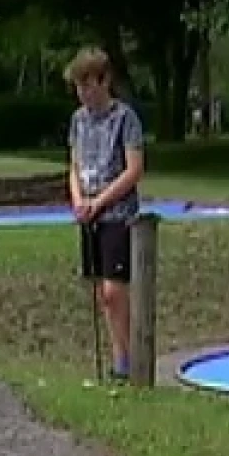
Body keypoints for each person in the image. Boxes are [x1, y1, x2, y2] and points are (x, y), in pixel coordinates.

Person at [64, 47, 146, 383]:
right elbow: (74, 165)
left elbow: (134, 170)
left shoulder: (125, 119)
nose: (84, 93)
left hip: (118, 213)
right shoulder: (78, 121)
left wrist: (100, 202)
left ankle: (129, 359)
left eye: (89, 85)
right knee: (101, 291)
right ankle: (119, 359)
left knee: (115, 290)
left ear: (105, 81)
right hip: (90, 213)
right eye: (79, 87)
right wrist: (79, 199)